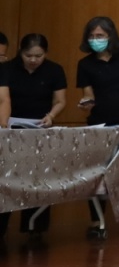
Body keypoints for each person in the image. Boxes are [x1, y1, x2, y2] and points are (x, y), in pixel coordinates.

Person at [76, 17, 119, 238]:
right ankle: (97, 221)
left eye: (100, 36)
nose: (95, 40)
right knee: (98, 173)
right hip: (101, 124)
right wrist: (86, 102)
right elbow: (88, 93)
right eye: (92, 36)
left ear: (111, 36)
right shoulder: (85, 64)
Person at [0, 33, 70, 240]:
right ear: (20, 52)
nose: (33, 60)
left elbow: (60, 100)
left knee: (39, 178)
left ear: (45, 54)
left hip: (40, 129)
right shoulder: (7, 68)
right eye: (28, 55)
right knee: (8, 179)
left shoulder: (54, 70)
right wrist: (4, 124)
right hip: (11, 129)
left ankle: (35, 228)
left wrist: (51, 116)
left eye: (38, 56)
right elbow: (4, 99)